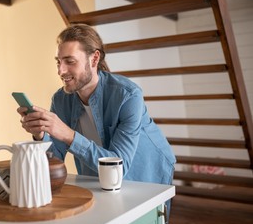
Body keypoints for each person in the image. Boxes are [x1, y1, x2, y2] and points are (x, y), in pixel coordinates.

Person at [17, 23, 176, 187]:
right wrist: (40, 135)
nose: (61, 71)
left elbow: (118, 168)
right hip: (99, 177)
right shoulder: (60, 100)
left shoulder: (128, 96)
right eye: (58, 62)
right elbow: (55, 159)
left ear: (94, 59)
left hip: (147, 174)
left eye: (70, 61)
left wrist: (68, 135)